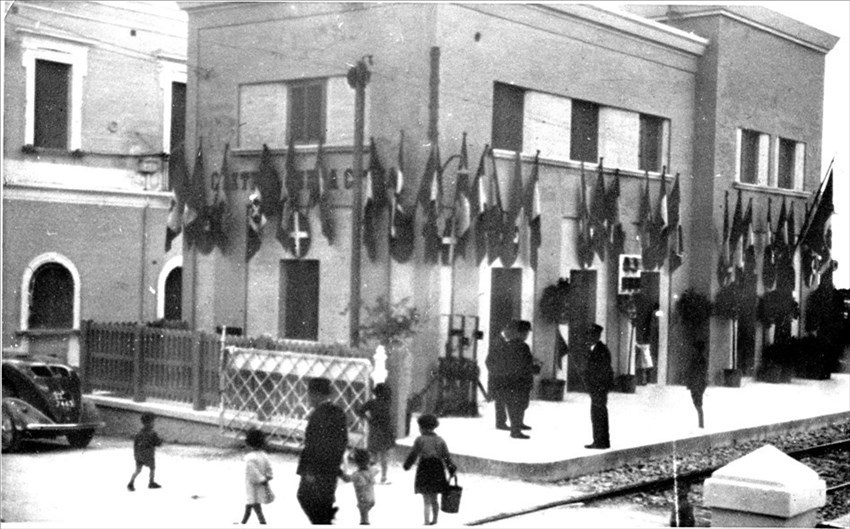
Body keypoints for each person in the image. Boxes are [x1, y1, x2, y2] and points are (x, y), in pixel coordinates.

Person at [296, 377, 349, 525]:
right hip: (330, 469)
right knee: (325, 502)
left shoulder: (317, 415)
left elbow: (313, 446)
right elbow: (342, 443)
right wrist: (337, 469)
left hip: (316, 469)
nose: (308, 398)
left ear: (315, 394)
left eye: (309, 394)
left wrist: (310, 471)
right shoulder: (339, 413)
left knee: (305, 497)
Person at [402, 414, 456, 526]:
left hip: (424, 468)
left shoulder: (420, 440)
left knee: (426, 498)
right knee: (434, 498)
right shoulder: (440, 440)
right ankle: (435, 520)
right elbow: (446, 456)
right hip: (437, 468)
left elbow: (414, 454)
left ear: (421, 427)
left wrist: (407, 465)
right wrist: (451, 469)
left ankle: (426, 522)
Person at [487, 320, 535, 437]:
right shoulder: (516, 345)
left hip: (510, 378)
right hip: (512, 379)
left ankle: (516, 425)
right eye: (525, 333)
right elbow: (490, 361)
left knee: (513, 403)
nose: (526, 335)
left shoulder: (510, 344)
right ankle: (513, 428)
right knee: (514, 403)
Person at [357, 382, 395, 484]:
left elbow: (360, 411)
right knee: (384, 455)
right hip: (386, 430)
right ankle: (383, 477)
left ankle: (371, 477)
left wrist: (368, 419)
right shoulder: (388, 402)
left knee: (373, 454)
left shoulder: (371, 403)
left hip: (375, 429)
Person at [584, 324, 613, 449]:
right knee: (597, 414)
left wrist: (596, 385)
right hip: (596, 387)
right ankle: (599, 440)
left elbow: (603, 371)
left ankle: (600, 442)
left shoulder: (601, 350)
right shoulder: (595, 349)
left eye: (592, 335)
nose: (589, 337)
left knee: (599, 414)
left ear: (597, 336)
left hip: (599, 387)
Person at [240, 429, 274, 525]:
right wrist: (267, 478)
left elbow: (253, 473)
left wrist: (261, 479)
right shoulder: (264, 456)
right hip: (263, 485)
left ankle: (261, 522)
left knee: (253, 504)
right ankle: (244, 521)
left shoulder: (249, 458)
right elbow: (269, 471)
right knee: (251, 504)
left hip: (252, 486)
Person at [341, 448, 378, 525]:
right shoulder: (371, 471)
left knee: (364, 519)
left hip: (363, 500)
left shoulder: (357, 475)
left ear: (356, 463)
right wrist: (370, 463)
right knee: (365, 516)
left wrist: (339, 472)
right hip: (371, 499)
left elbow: (346, 479)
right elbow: (377, 469)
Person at [127, 411, 163, 491]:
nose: (154, 423)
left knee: (138, 470)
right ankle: (151, 482)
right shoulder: (152, 433)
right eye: (153, 421)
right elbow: (158, 443)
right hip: (148, 455)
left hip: (138, 455)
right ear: (150, 422)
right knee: (152, 468)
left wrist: (136, 455)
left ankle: (131, 483)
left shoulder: (138, 433)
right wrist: (161, 441)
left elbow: (135, 444)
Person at [686, 341, 708, 429]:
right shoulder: (700, 358)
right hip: (698, 383)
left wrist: (693, 383)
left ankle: (701, 424)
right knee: (697, 403)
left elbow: (697, 372)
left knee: (697, 403)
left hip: (697, 383)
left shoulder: (698, 359)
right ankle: (701, 423)